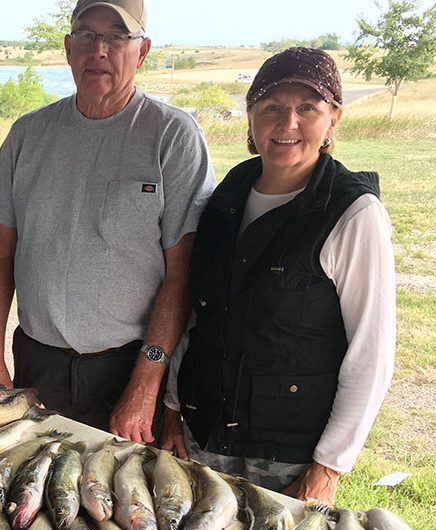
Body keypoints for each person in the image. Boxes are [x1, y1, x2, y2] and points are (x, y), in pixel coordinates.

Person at [0, 0, 214, 438]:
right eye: (86, 34)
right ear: (67, 47)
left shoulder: (172, 136)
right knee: (29, 496)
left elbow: (183, 273)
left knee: (115, 502)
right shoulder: (27, 134)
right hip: (36, 364)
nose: (99, 50)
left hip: (127, 368)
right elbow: (1, 252)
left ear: (142, 50)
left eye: (117, 36)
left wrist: (145, 384)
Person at [161, 47, 396, 506]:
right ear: (250, 119)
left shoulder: (353, 213)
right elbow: (198, 315)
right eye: (271, 108)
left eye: (307, 108)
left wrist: (328, 468)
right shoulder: (227, 194)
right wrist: (172, 409)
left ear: (333, 120)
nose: (288, 124)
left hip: (290, 456)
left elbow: (372, 352)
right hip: (203, 434)